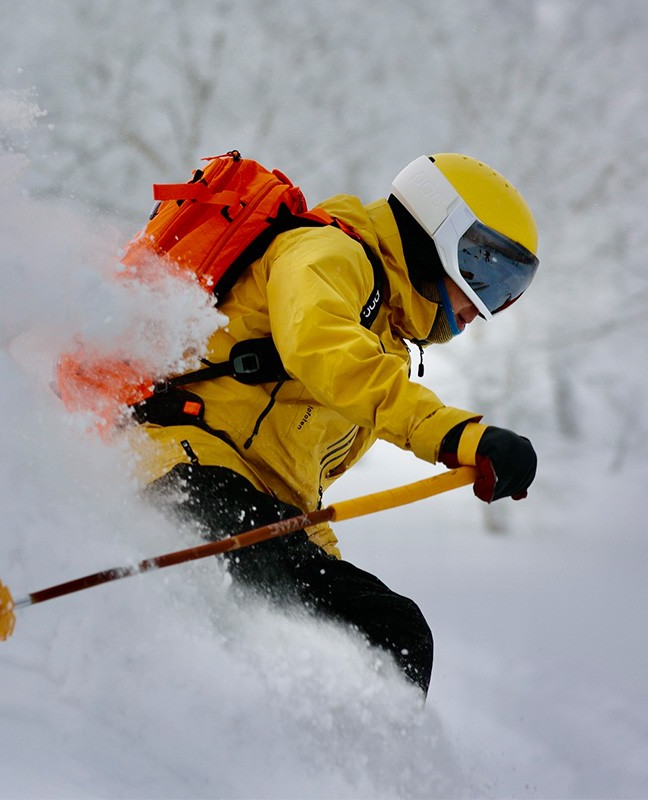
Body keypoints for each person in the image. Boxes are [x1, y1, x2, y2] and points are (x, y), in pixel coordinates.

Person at [132, 153, 539, 694]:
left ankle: (340, 765)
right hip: (180, 464)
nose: (484, 307)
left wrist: (325, 560)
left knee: (385, 630)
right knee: (388, 630)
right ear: (437, 230)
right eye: (483, 274)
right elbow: (328, 356)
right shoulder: (326, 255)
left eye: (505, 292)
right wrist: (455, 435)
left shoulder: (384, 336)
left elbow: (295, 484)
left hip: (243, 494)